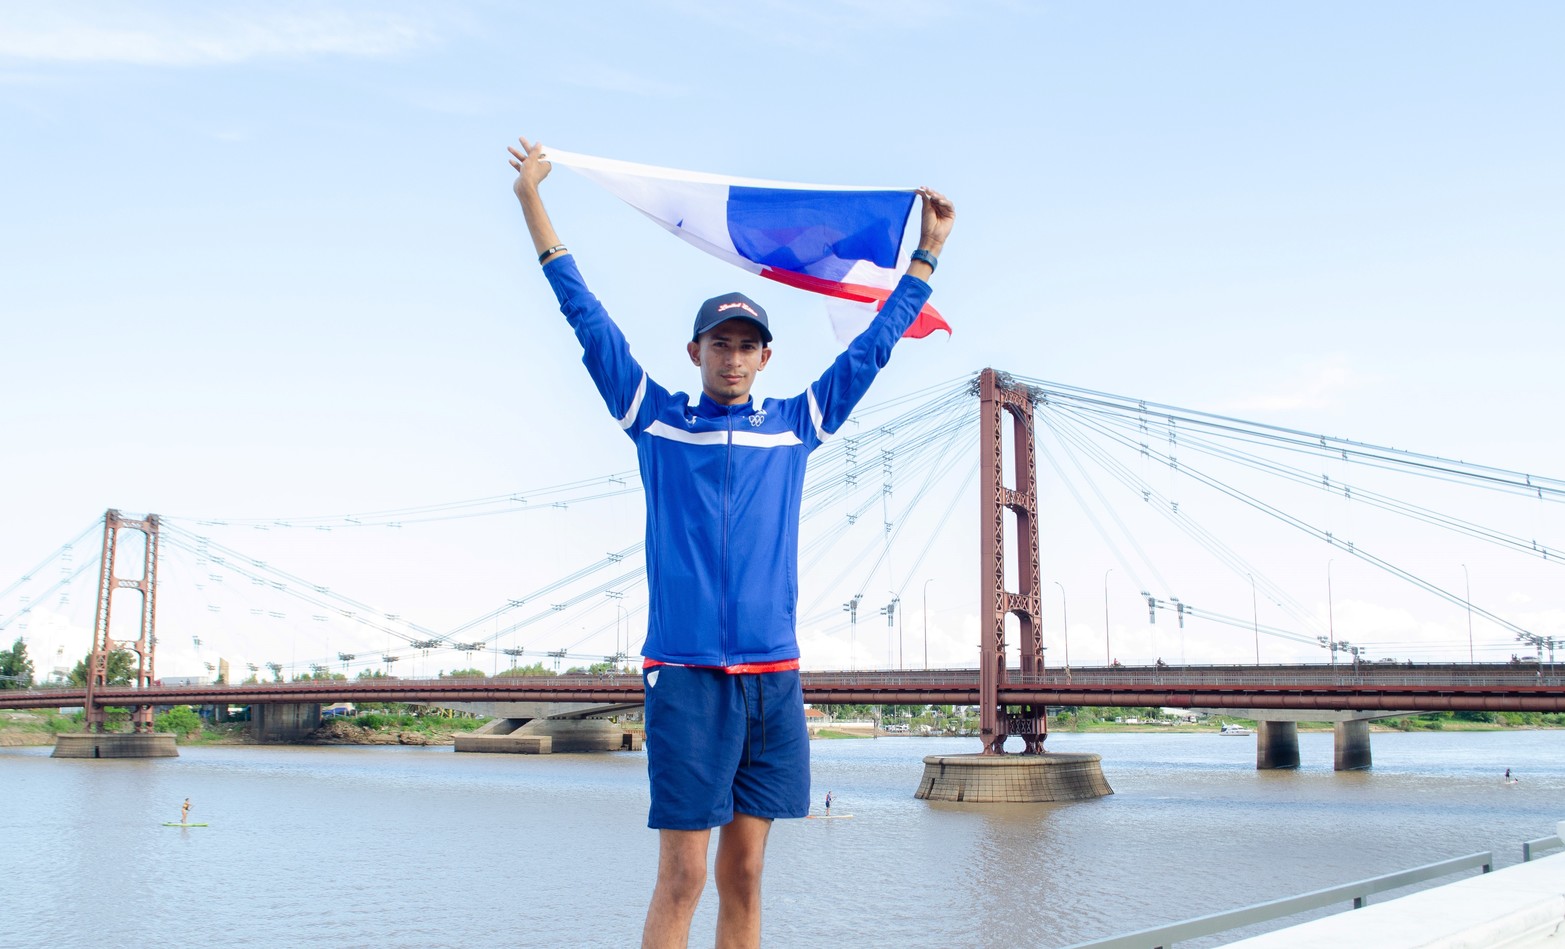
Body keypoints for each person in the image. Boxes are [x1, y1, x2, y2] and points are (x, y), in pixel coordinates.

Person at [509, 135, 954, 949]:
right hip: (686, 680)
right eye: (722, 342)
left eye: (749, 344)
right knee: (681, 877)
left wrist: (924, 258)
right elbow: (586, 316)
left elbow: (873, 348)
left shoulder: (797, 425)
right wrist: (533, 202)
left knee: (744, 875)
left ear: (765, 355)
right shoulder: (655, 419)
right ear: (697, 352)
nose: (736, 356)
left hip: (772, 681)